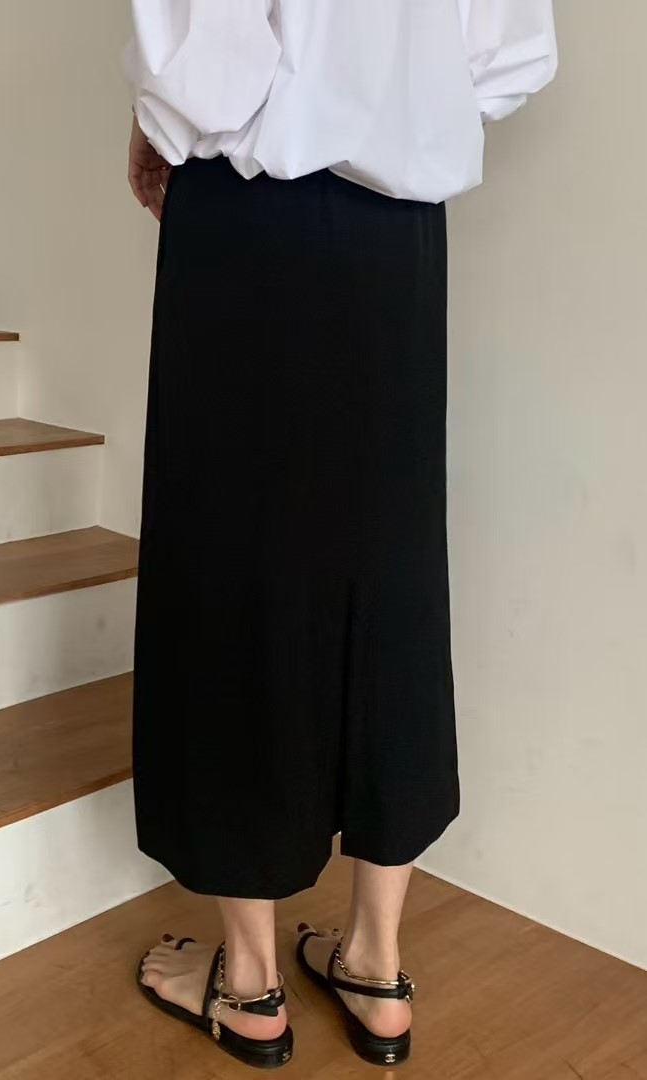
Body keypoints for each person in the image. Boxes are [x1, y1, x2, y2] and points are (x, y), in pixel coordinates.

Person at [125, 1, 557, 1069]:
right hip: (399, 237)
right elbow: (510, 53)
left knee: (231, 569)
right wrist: (392, 103)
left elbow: (206, 53)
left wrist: (157, 122)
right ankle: (374, 961)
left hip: (248, 215)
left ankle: (250, 982)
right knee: (389, 569)